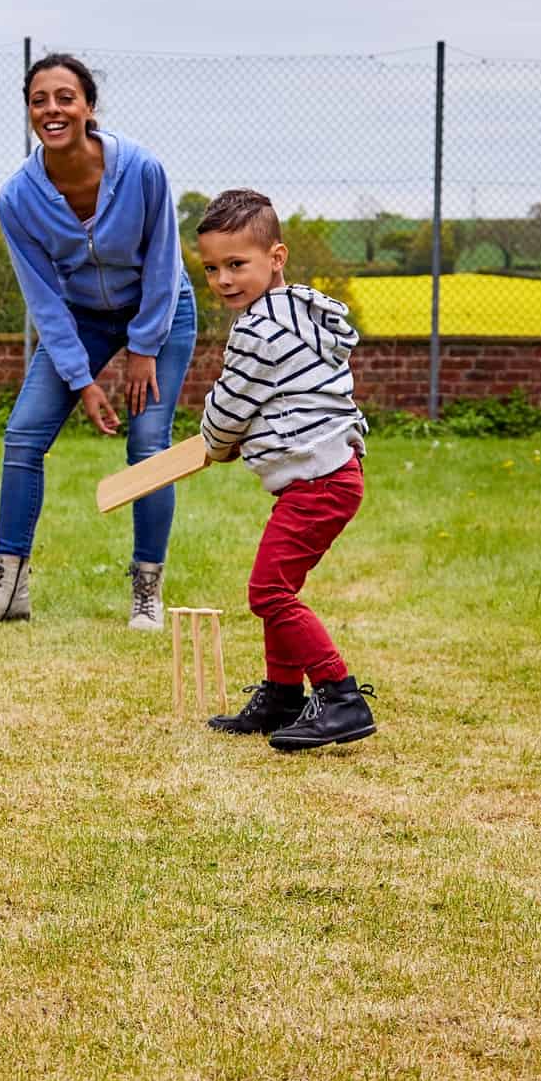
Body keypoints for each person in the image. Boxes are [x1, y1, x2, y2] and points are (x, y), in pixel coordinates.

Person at [0, 54, 197, 631]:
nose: (52, 109)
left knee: (148, 442)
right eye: (40, 100)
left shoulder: (140, 169)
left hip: (158, 312)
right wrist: (83, 382)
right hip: (81, 319)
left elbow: (165, 264)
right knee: (23, 435)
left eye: (65, 97)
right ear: (30, 111)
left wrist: (143, 349)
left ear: (88, 106)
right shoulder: (18, 198)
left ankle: (147, 589)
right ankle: (9, 588)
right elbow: (44, 302)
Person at [192, 190, 377, 752]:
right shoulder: (297, 310)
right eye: (212, 269)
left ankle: (341, 696)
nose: (224, 279)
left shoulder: (256, 330)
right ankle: (282, 696)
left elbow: (230, 405)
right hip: (329, 473)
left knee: (270, 591)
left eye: (237, 264)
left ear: (277, 257)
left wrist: (215, 441)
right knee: (280, 585)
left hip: (317, 481)